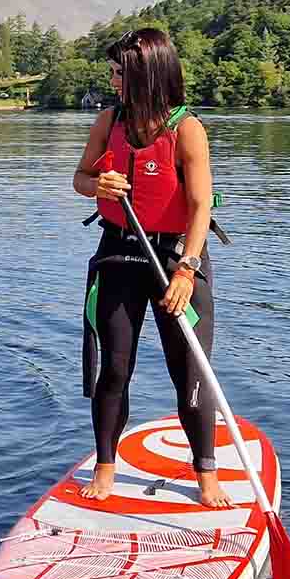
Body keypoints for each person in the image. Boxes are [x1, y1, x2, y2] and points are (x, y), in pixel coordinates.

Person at [72, 28, 227, 505]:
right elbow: (80, 178)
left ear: (146, 75)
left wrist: (187, 269)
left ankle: (206, 474)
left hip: (175, 259)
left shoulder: (188, 130)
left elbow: (200, 207)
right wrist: (98, 186)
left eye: (120, 73)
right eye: (113, 72)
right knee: (114, 370)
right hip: (119, 255)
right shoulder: (107, 121)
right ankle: (105, 466)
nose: (113, 81)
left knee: (190, 373)